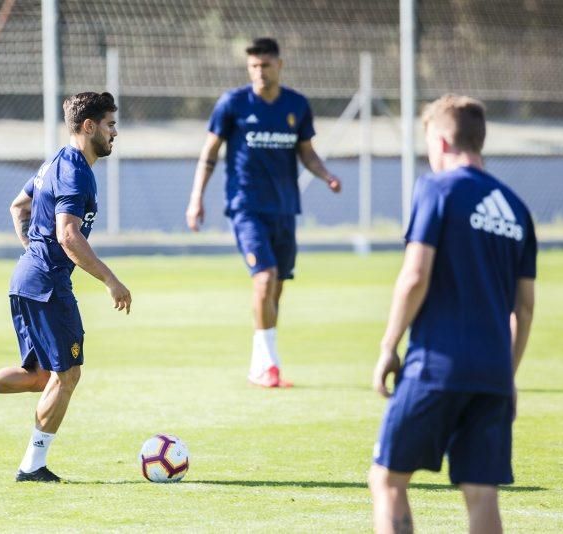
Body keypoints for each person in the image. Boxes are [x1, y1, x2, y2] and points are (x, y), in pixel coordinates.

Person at [0, 91, 132, 483]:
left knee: (41, 375)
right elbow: (69, 236)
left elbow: (18, 207)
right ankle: (32, 466)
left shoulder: (54, 162)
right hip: (47, 285)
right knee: (67, 376)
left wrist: (33, 254)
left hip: (28, 278)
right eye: (109, 125)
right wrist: (111, 280)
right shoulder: (74, 170)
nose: (114, 133)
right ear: (88, 126)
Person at [368, 94, 537, 533]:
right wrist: (508, 373)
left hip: (436, 366)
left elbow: (415, 275)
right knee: (481, 493)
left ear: (441, 141)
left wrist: (388, 345)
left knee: (387, 480)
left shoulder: (436, 189)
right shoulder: (517, 208)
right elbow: (525, 306)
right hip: (494, 373)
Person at [186, 37, 342, 388]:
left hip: (285, 209)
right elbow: (209, 152)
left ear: (279, 65)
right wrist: (196, 198)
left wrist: (326, 175)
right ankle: (267, 365)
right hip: (246, 207)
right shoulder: (233, 104)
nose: (259, 71)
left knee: (277, 285)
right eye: (254, 66)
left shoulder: (296, 105)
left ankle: (262, 361)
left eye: (265, 65)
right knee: (265, 277)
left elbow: (307, 153)